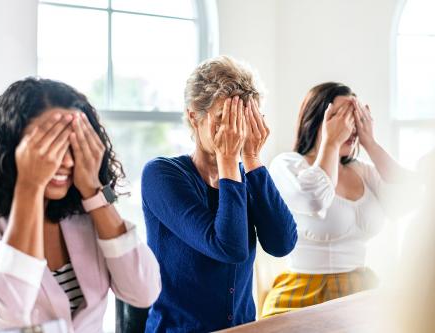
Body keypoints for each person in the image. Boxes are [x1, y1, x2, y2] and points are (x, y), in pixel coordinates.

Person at [0, 78, 161, 333]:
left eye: (74, 146)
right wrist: (30, 187)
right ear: (12, 144)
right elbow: (9, 304)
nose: (64, 160)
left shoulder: (80, 203)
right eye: (48, 145)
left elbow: (144, 291)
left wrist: (94, 192)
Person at [141, 56, 298, 332]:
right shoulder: (161, 175)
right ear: (194, 117)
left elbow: (282, 243)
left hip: (242, 328)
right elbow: (229, 247)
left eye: (243, 120)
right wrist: (229, 161)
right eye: (224, 119)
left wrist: (251, 158)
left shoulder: (243, 176)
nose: (235, 131)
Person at [262, 82, 412, 317]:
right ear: (317, 120)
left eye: (356, 117)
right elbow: (315, 198)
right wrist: (330, 142)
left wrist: (370, 143)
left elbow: (407, 201)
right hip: (302, 293)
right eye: (342, 116)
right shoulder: (287, 165)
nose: (350, 126)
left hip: (361, 290)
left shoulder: (362, 170)